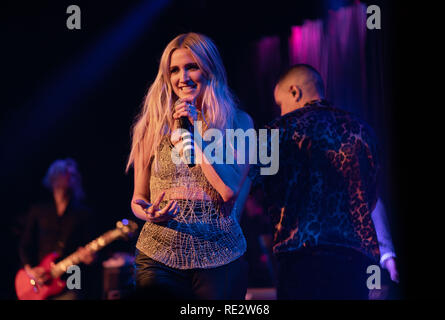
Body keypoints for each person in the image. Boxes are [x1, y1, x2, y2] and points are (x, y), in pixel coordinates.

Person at [126, 32, 252, 300]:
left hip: (219, 253)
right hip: (158, 252)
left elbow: (228, 190)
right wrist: (147, 212)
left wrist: (196, 136)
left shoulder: (238, 124)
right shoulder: (151, 126)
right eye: (174, 70)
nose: (182, 78)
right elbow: (138, 198)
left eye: (191, 67)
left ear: (210, 69)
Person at [249, 64, 392, 299]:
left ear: (295, 92)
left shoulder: (277, 131)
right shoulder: (363, 130)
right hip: (354, 260)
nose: (281, 111)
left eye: (281, 103)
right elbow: (373, 196)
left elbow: (242, 185)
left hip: (300, 259)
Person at [18, 158, 97, 300]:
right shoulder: (39, 210)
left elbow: (91, 246)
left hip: (72, 275)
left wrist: (91, 258)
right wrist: (30, 270)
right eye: (65, 172)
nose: (71, 177)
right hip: (40, 278)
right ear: (54, 177)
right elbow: (25, 245)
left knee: (74, 295)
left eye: (74, 174)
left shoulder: (83, 213)